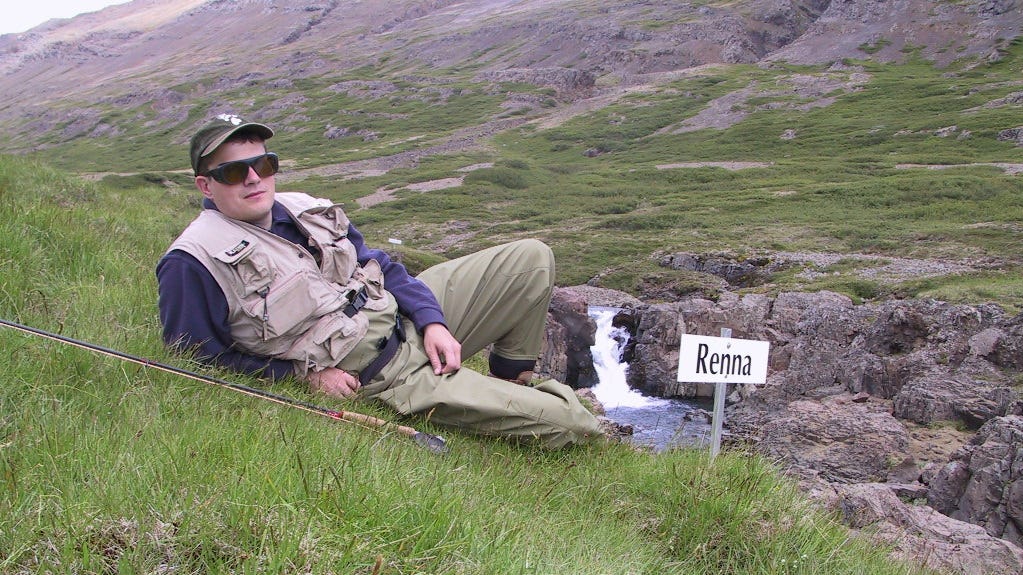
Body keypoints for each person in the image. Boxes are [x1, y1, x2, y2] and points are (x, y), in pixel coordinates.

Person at [156, 114, 603, 448]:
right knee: (575, 426)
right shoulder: (192, 262)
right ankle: (532, 403)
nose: (254, 179)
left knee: (532, 259)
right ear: (205, 185)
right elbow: (198, 358)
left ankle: (512, 381)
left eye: (264, 164)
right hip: (384, 376)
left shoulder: (304, 207)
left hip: (402, 322)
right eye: (235, 172)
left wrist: (432, 321)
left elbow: (381, 265)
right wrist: (301, 377)